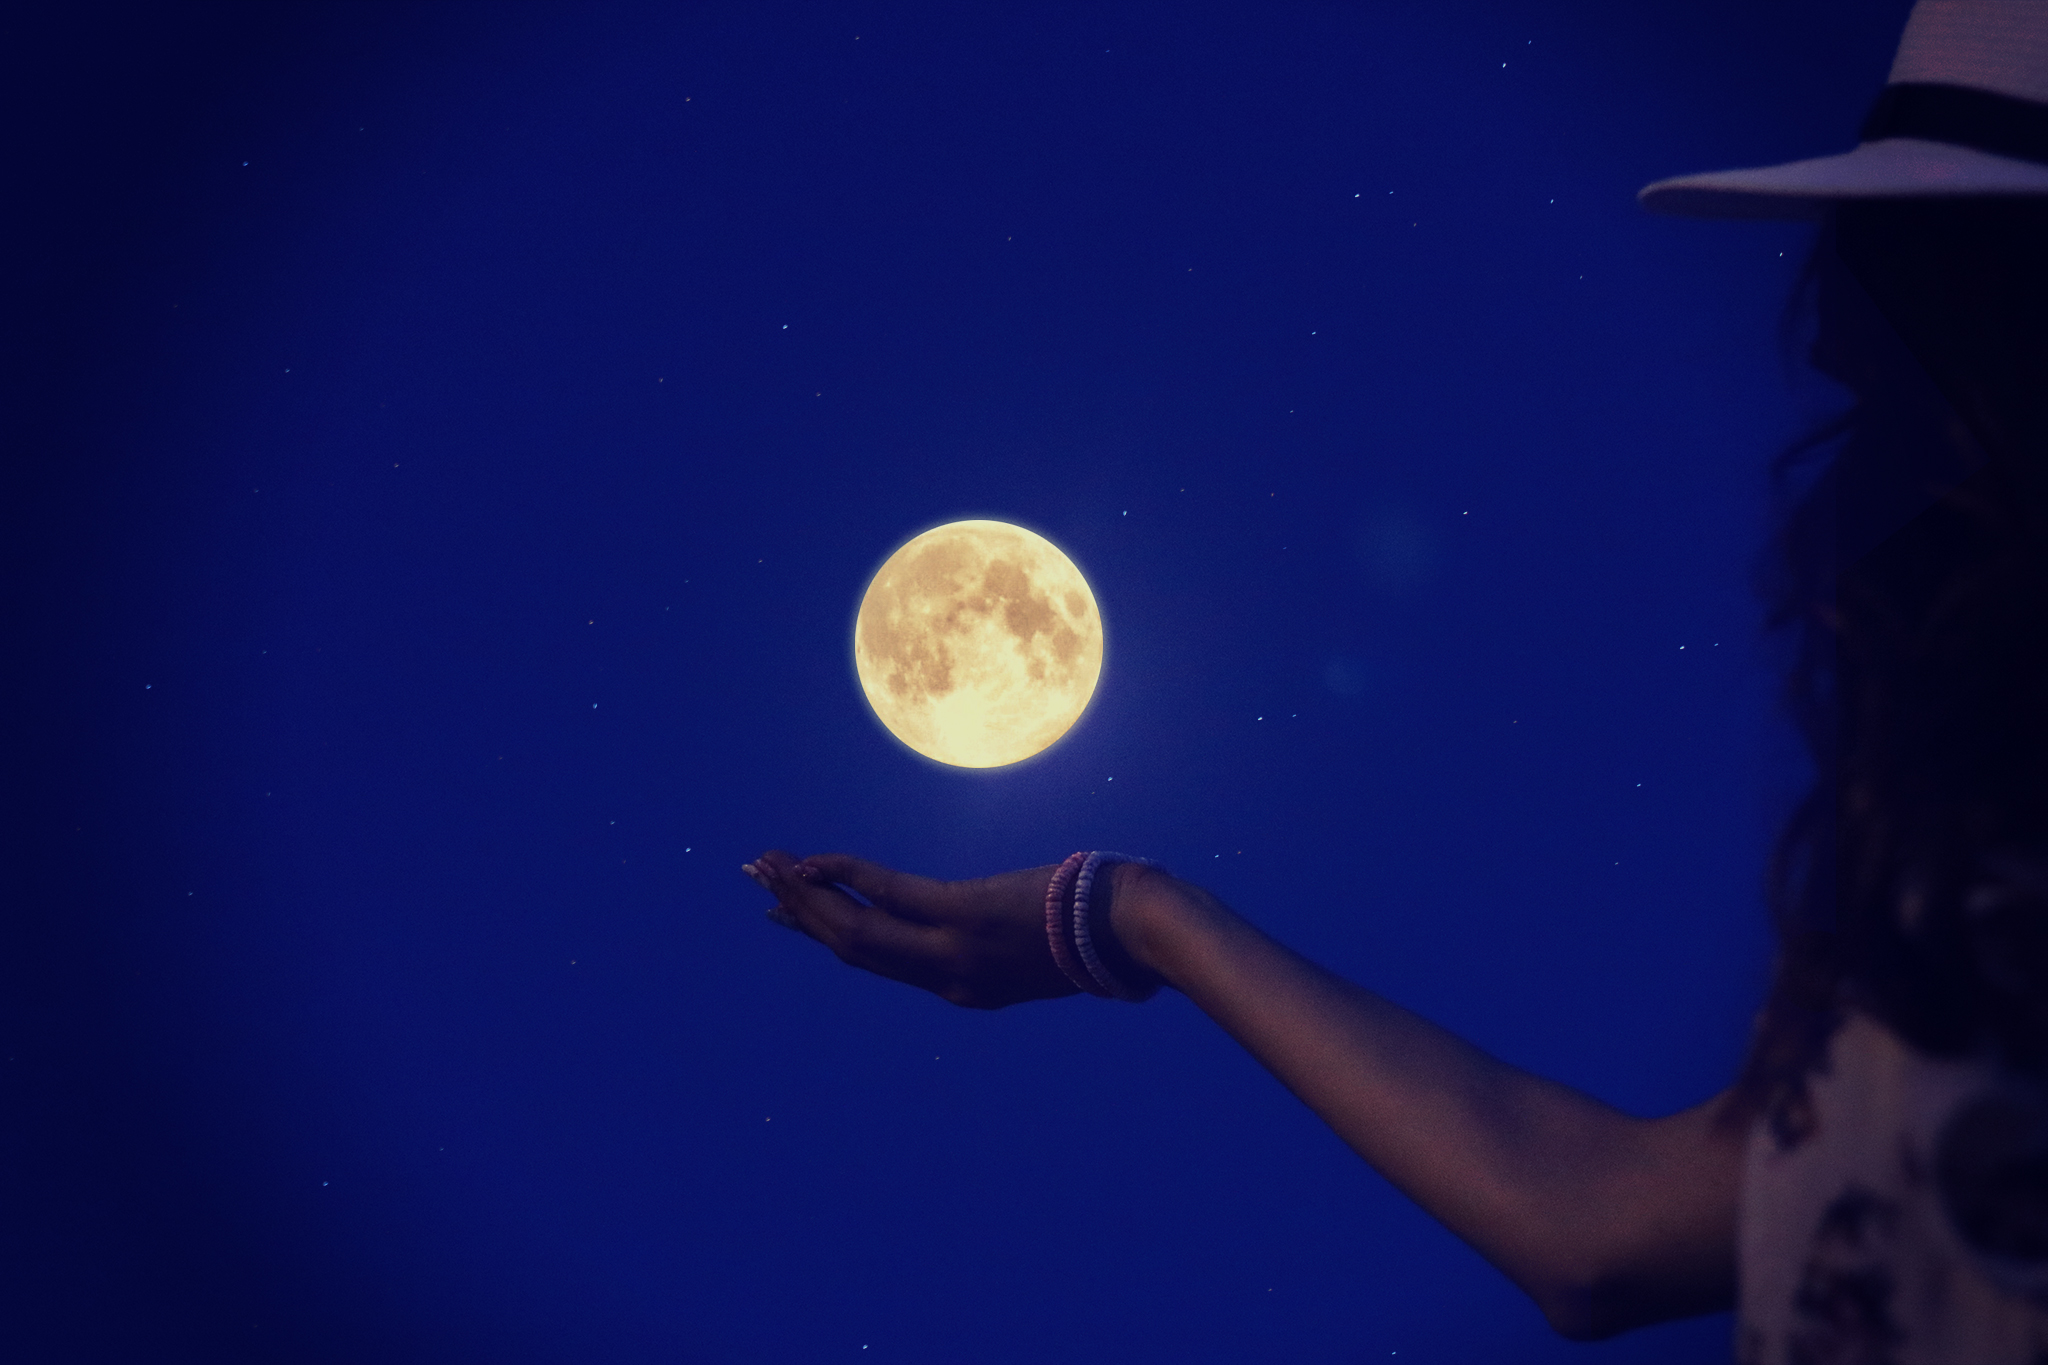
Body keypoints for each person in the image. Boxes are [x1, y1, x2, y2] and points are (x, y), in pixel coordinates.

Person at [744, 3, 2048, 1358]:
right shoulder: (1976, 889)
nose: (1850, 472)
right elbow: (1600, 1230)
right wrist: (1126, 914)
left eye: (1912, 375)